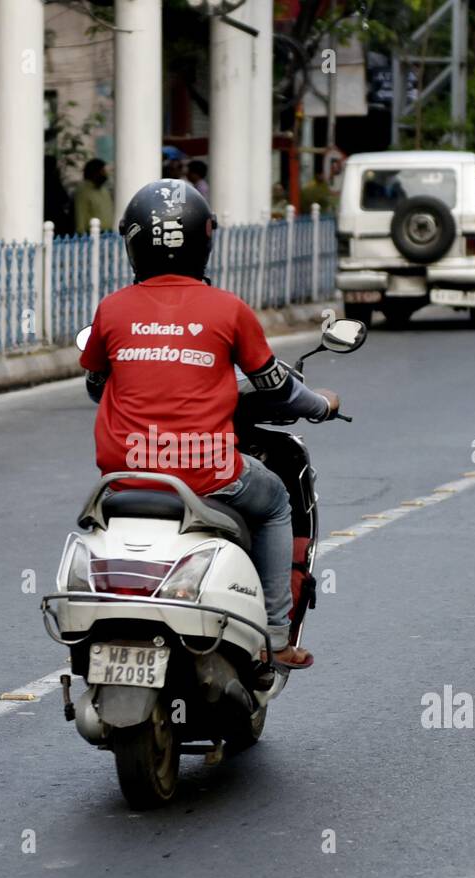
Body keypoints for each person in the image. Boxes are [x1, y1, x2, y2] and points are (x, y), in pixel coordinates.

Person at [79, 179, 341, 670]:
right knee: (276, 502)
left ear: (133, 243)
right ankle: (276, 636)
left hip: (124, 472)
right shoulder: (228, 309)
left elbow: (96, 385)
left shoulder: (111, 309)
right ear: (205, 240)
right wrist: (320, 405)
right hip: (206, 471)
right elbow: (277, 387)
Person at [73, 158, 114, 234]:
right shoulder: (83, 191)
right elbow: (80, 216)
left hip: (109, 234)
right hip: (92, 234)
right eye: (102, 171)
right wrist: (81, 235)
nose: (105, 174)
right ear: (95, 173)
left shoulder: (104, 190)